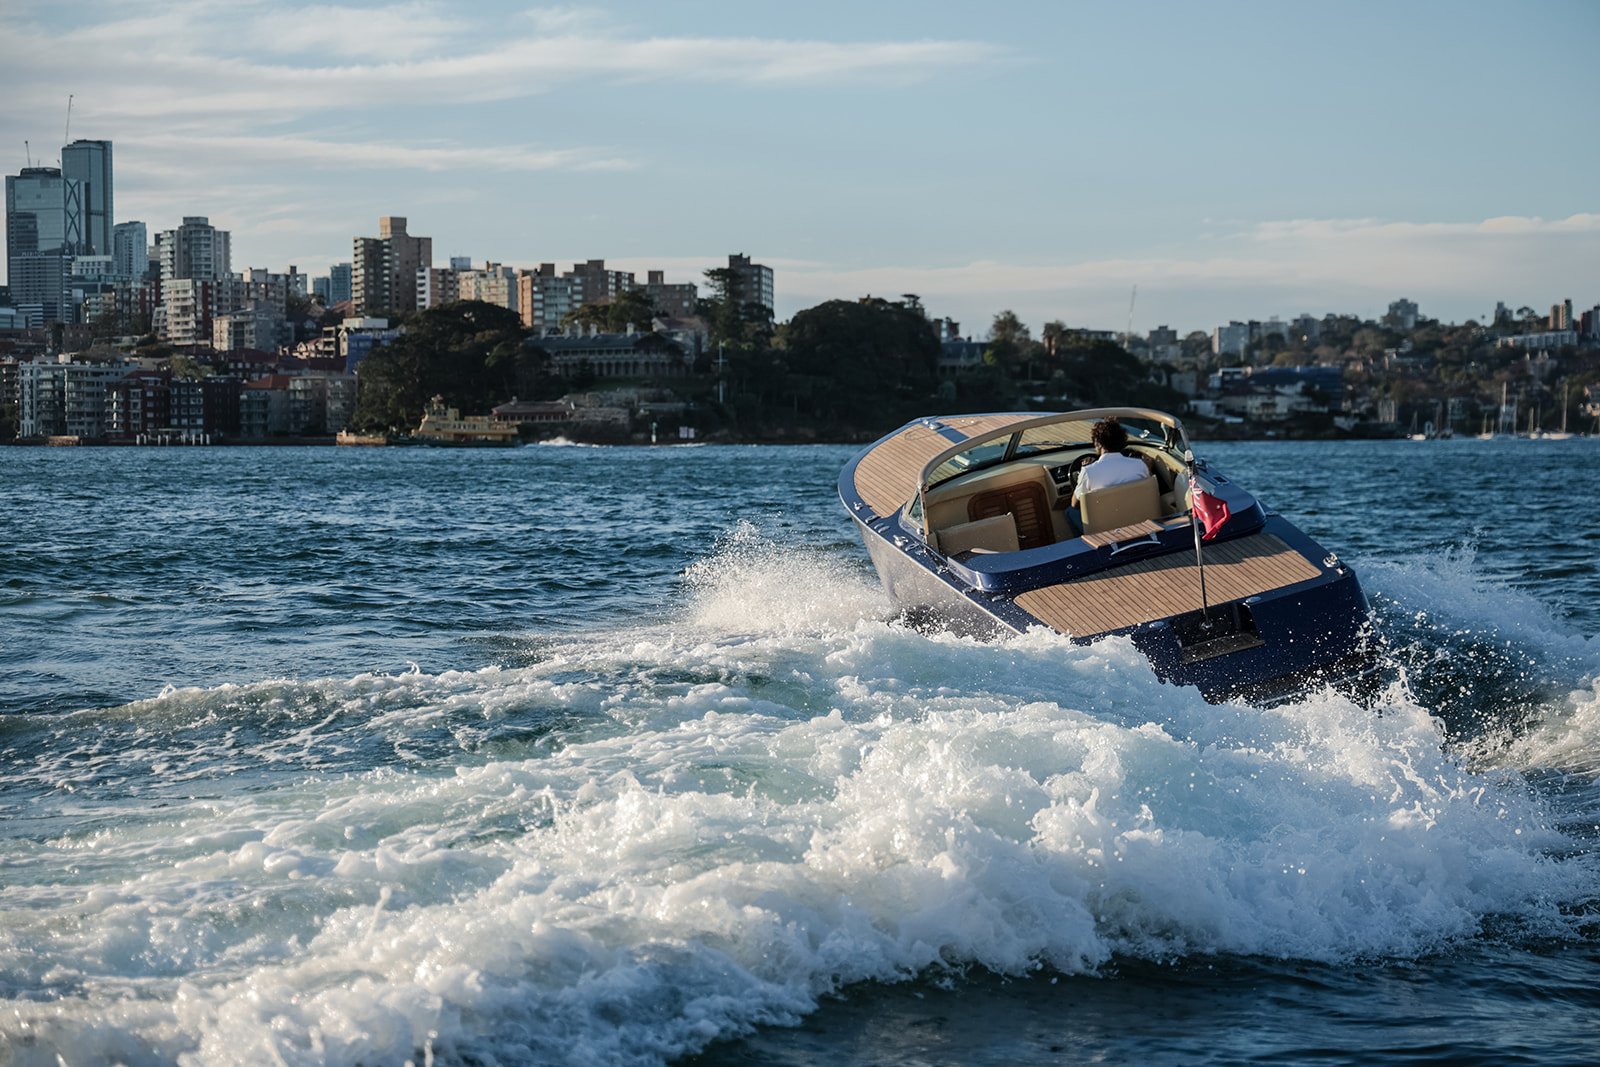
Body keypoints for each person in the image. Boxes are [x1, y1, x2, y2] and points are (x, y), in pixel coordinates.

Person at [1067, 417, 1151, 534]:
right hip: (1137, 523)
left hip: (1106, 531)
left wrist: (1082, 472)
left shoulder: (1088, 472)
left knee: (1070, 512)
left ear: (1098, 443)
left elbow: (1074, 503)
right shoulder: (1140, 465)